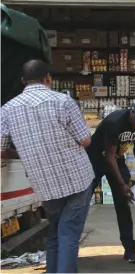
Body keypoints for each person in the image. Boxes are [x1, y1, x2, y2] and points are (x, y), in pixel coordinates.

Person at [1, 60, 93, 273]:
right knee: (68, 232)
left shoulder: (7, 110)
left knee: (54, 231)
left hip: (44, 183)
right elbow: (85, 140)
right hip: (76, 178)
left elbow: (2, 148)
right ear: (48, 78)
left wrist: (29, 148)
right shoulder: (63, 101)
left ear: (23, 81)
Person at [85, 99, 135, 263]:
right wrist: (122, 183)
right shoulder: (115, 122)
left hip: (116, 158)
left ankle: (130, 250)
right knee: (82, 202)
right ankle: (69, 250)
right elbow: (109, 155)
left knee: (123, 204)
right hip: (95, 160)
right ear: (133, 113)